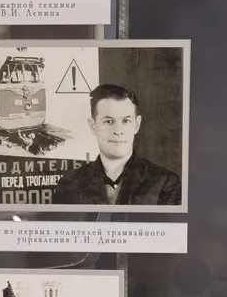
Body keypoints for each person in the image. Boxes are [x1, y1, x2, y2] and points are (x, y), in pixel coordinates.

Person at [50, 85, 181, 206]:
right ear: (93, 126)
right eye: (108, 121)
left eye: (126, 121)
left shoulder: (166, 182)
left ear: (137, 125)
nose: (118, 130)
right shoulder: (70, 183)